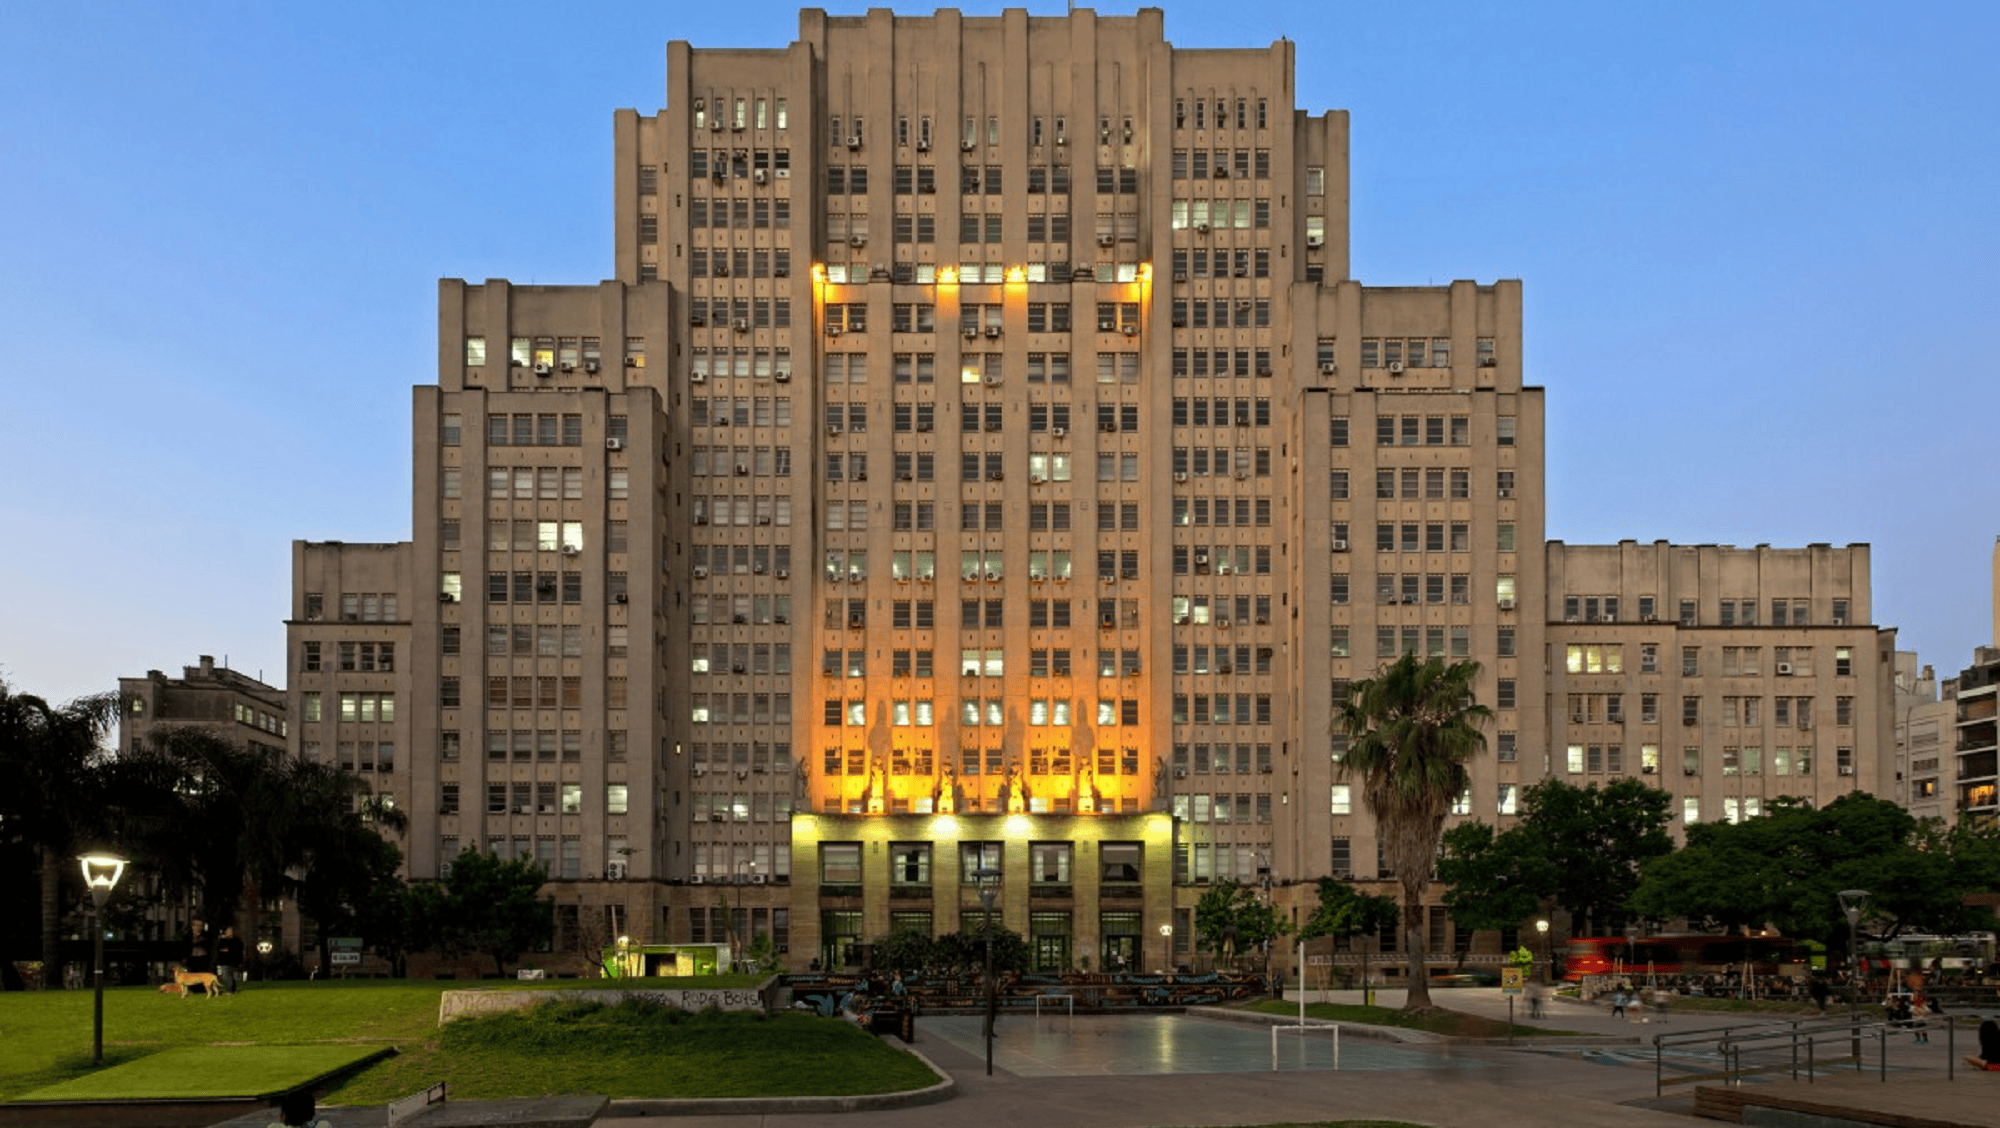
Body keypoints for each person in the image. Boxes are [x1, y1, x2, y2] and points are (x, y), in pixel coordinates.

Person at [216, 926, 245, 995]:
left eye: (230, 931)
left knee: (229, 976)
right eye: (228, 931)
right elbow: (220, 948)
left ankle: (230, 990)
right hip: (226, 960)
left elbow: (235, 950)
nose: (229, 932)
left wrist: (227, 950)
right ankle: (232, 989)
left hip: (232, 961)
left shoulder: (236, 940)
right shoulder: (225, 940)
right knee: (229, 976)